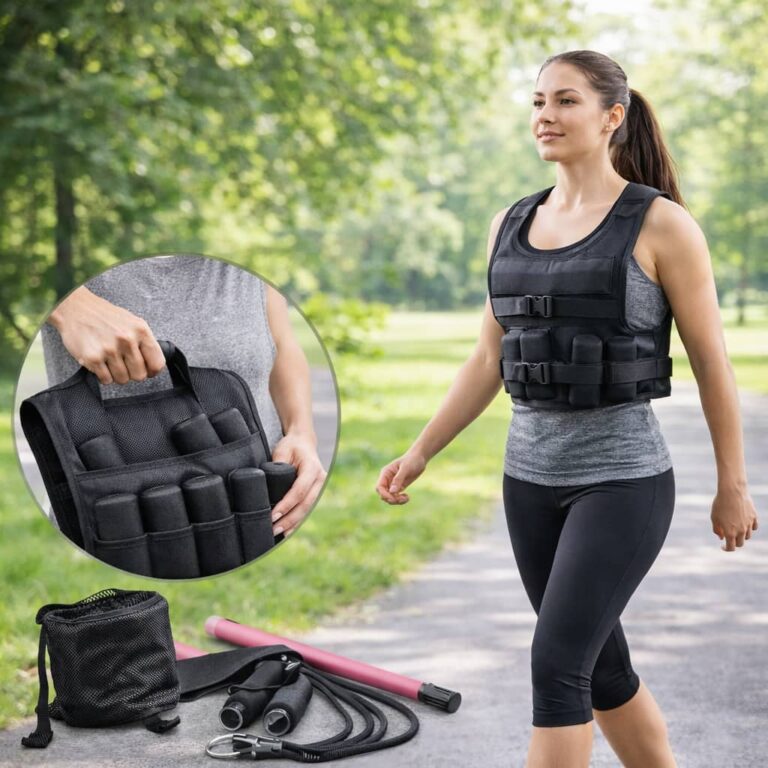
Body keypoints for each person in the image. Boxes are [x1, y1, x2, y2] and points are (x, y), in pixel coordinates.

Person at [376, 50, 759, 768]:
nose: (545, 116)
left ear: (613, 117)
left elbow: (712, 362)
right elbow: (488, 358)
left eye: (566, 101)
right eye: (538, 102)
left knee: (557, 667)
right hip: (528, 482)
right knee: (601, 669)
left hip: (622, 481)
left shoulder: (662, 225)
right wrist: (421, 450)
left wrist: (732, 484)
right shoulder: (509, 223)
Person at [42, 253, 326, 539]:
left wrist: (301, 433)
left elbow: (281, 343)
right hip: (113, 524)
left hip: (253, 508)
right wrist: (71, 306)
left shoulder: (248, 252)